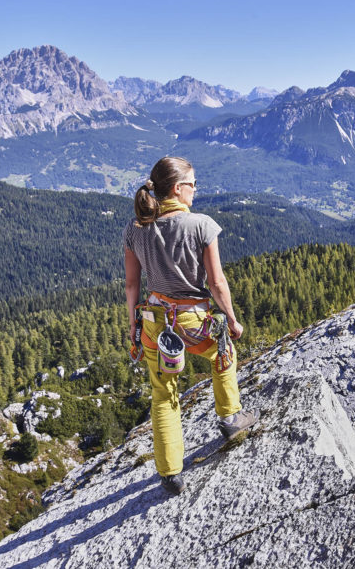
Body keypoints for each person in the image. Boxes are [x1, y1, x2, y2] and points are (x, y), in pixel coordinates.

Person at [123, 156, 258, 495]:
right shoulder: (201, 225)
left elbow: (131, 286)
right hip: (192, 319)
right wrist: (231, 318)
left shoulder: (135, 230)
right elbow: (217, 283)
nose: (195, 191)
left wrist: (133, 328)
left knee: (163, 393)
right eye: (193, 185)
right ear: (177, 188)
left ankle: (170, 473)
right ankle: (230, 418)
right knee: (223, 354)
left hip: (155, 321)